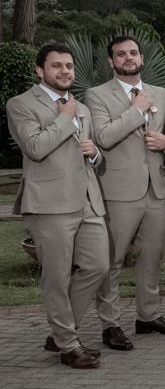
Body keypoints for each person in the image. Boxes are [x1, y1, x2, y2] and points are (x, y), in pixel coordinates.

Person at [7, 44, 108, 368]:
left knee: (98, 266)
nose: (65, 71)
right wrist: (64, 119)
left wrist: (94, 154)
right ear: (40, 70)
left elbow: (92, 159)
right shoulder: (20, 104)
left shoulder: (80, 107)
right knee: (56, 277)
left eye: (69, 65)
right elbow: (35, 147)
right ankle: (68, 344)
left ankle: (62, 331)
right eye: (57, 66)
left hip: (88, 201)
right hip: (50, 205)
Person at [85, 35, 165, 350]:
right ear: (112, 62)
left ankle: (148, 316)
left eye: (133, 52)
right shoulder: (96, 95)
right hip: (117, 189)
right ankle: (111, 325)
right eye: (121, 54)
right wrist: (136, 111)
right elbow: (102, 136)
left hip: (155, 188)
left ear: (141, 57)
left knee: (151, 257)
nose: (128, 58)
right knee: (112, 260)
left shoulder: (161, 93)